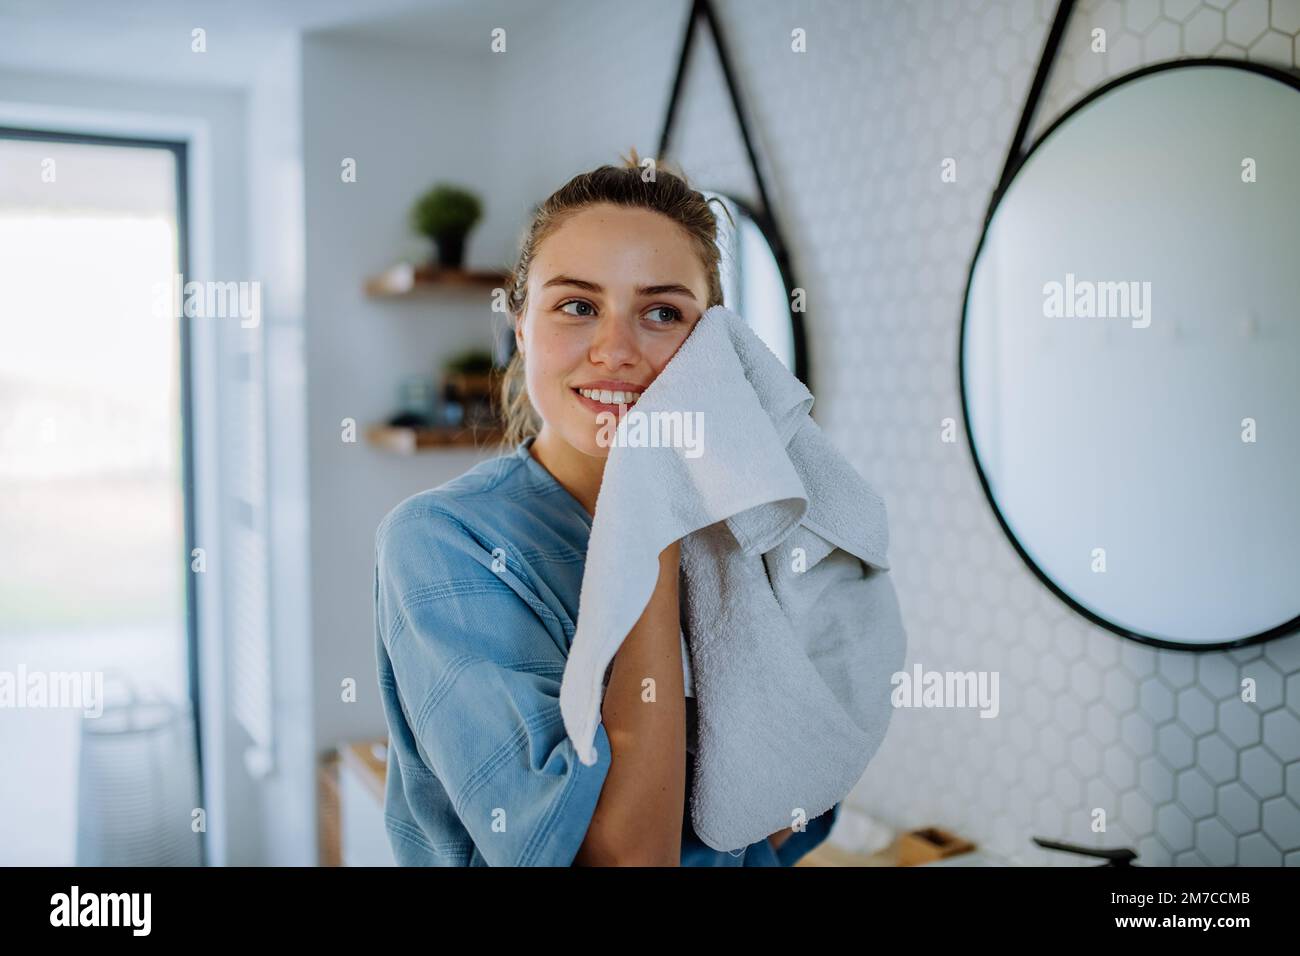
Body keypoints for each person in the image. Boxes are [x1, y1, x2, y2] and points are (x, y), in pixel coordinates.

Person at [374, 149, 838, 866]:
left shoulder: (747, 531)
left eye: (661, 312)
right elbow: (623, 858)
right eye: (577, 306)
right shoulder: (442, 543)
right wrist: (647, 522)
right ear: (522, 326)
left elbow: (783, 815)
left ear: (712, 347)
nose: (616, 349)